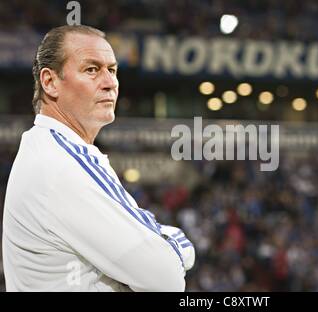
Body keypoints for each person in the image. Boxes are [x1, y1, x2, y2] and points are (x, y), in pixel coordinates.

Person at [2, 25, 195, 292]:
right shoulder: (62, 165)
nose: (110, 82)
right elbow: (166, 279)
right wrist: (178, 244)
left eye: (112, 70)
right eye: (91, 69)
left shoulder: (48, 149)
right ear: (50, 82)